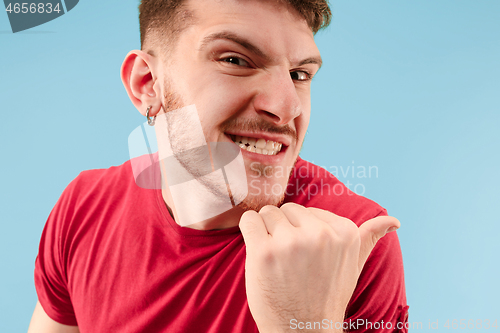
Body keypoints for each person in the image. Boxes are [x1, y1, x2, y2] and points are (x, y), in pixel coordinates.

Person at [28, 0, 408, 332]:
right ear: (147, 84)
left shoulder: (351, 241)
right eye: (235, 60)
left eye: (299, 74)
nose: (287, 107)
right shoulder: (84, 207)